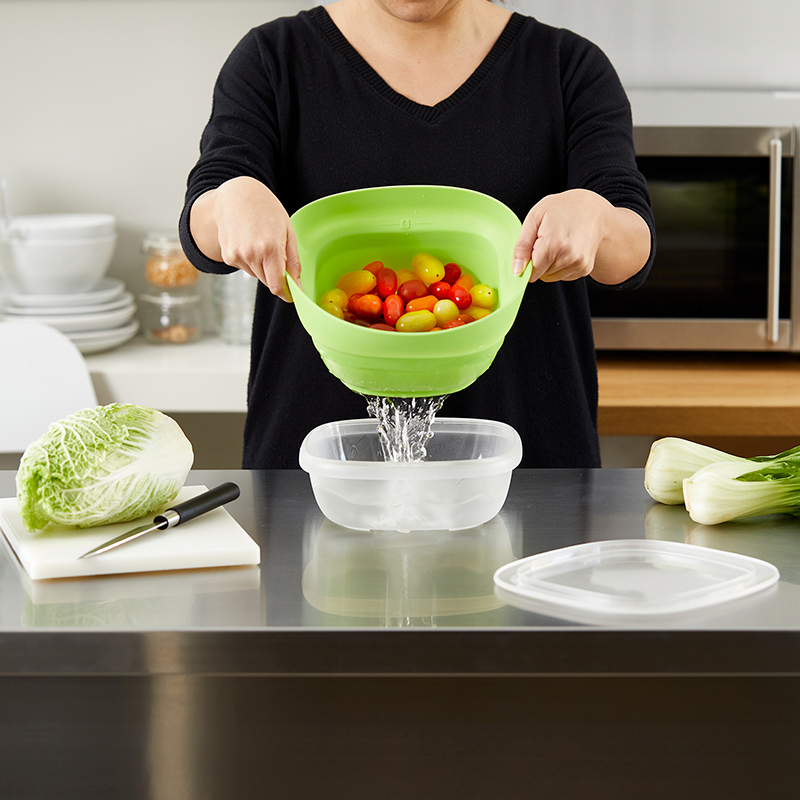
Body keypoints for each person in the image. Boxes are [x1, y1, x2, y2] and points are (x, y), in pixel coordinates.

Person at [179, 0, 655, 469]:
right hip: (316, 466)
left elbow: (631, 244)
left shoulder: (568, 66)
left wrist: (595, 214)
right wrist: (232, 196)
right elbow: (205, 223)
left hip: (532, 460)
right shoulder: (272, 58)